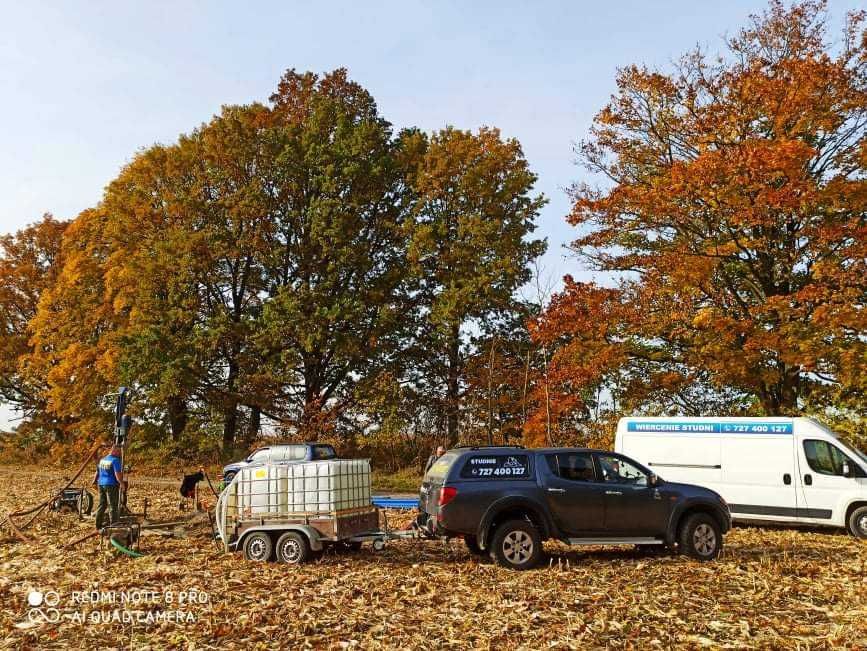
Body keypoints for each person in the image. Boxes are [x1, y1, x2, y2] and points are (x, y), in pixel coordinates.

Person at [93, 445, 124, 529]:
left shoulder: (103, 460)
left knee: (102, 504)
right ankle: (114, 524)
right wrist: (122, 483)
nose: (120, 454)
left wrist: (94, 481)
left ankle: (98, 524)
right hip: (111, 485)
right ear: (114, 451)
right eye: (119, 452)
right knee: (113, 505)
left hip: (101, 484)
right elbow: (117, 474)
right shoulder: (115, 460)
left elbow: (97, 472)